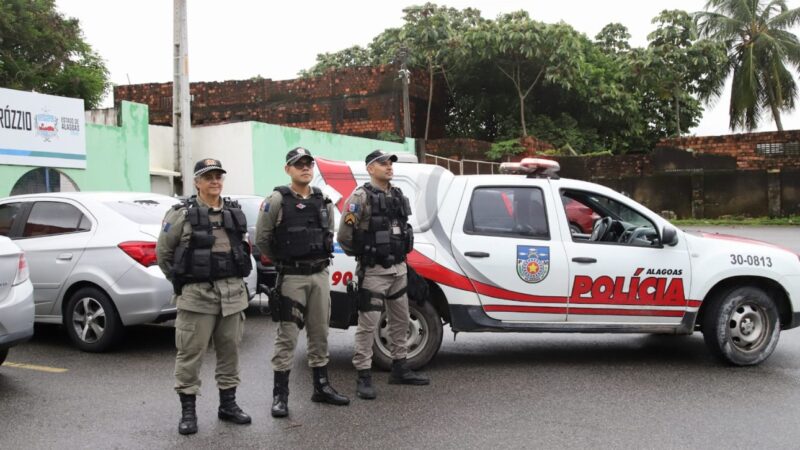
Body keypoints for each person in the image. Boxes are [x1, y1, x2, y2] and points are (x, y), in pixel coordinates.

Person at [156, 158, 253, 435]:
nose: (214, 181)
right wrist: (183, 283)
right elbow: (163, 254)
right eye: (208, 177)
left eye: (218, 176)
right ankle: (188, 411)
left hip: (233, 295)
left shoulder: (234, 212)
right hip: (197, 297)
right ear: (197, 182)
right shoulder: (180, 215)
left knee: (230, 353)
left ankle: (228, 405)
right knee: (190, 354)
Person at [255, 147, 349, 418]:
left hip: (319, 275)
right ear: (288, 169)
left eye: (308, 164)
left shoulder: (324, 200)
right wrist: (284, 259)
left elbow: (328, 232)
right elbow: (263, 239)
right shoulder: (275, 200)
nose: (305, 168)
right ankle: (280, 396)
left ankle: (321, 387)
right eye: (299, 165)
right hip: (292, 277)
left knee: (320, 333)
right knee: (287, 336)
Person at [337, 149, 430, 400]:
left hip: (399, 268)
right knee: (368, 325)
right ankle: (364, 375)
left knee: (400, 319)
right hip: (374, 271)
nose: (389, 166)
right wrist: (365, 255)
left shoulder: (397, 195)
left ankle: (400, 367)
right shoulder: (360, 197)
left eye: (390, 163)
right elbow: (344, 236)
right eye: (382, 163)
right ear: (370, 168)